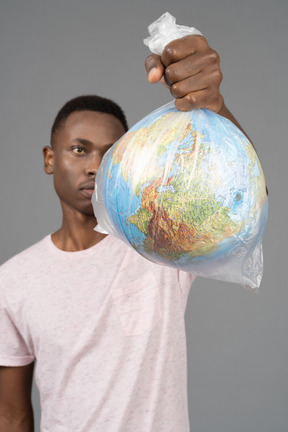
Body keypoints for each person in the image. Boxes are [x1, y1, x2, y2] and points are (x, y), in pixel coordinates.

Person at [0, 35, 252, 432]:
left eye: (111, 151)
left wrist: (212, 105)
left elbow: (242, 202)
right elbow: (11, 415)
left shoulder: (159, 244)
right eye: (79, 149)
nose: (95, 166)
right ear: (50, 159)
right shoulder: (12, 280)